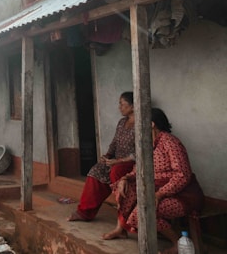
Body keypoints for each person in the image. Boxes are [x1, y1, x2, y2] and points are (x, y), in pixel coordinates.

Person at [102, 108, 204, 254]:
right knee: (124, 187)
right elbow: (138, 170)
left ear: (151, 124)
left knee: (142, 214)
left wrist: (160, 194)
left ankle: (177, 243)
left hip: (181, 194)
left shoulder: (170, 142)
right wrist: (125, 178)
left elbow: (183, 175)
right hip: (155, 191)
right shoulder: (146, 144)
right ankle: (122, 229)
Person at [68, 91, 136, 221]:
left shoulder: (141, 125)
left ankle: (124, 218)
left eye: (122, 104)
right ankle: (85, 212)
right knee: (95, 171)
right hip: (116, 160)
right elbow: (115, 142)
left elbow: (140, 153)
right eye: (119, 104)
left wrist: (117, 161)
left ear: (133, 106)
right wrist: (108, 155)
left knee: (115, 172)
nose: (119, 107)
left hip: (131, 163)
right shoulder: (122, 122)